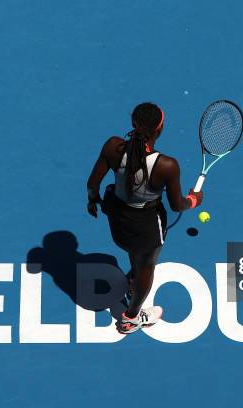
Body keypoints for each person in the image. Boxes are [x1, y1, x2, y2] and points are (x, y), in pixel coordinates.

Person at [86, 102, 203, 334]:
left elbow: (92, 184)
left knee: (135, 255)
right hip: (145, 228)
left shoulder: (112, 146)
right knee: (147, 266)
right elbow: (176, 205)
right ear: (160, 129)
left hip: (118, 221)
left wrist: (92, 200)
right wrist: (194, 200)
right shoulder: (167, 166)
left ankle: (134, 277)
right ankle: (130, 318)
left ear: (133, 123)